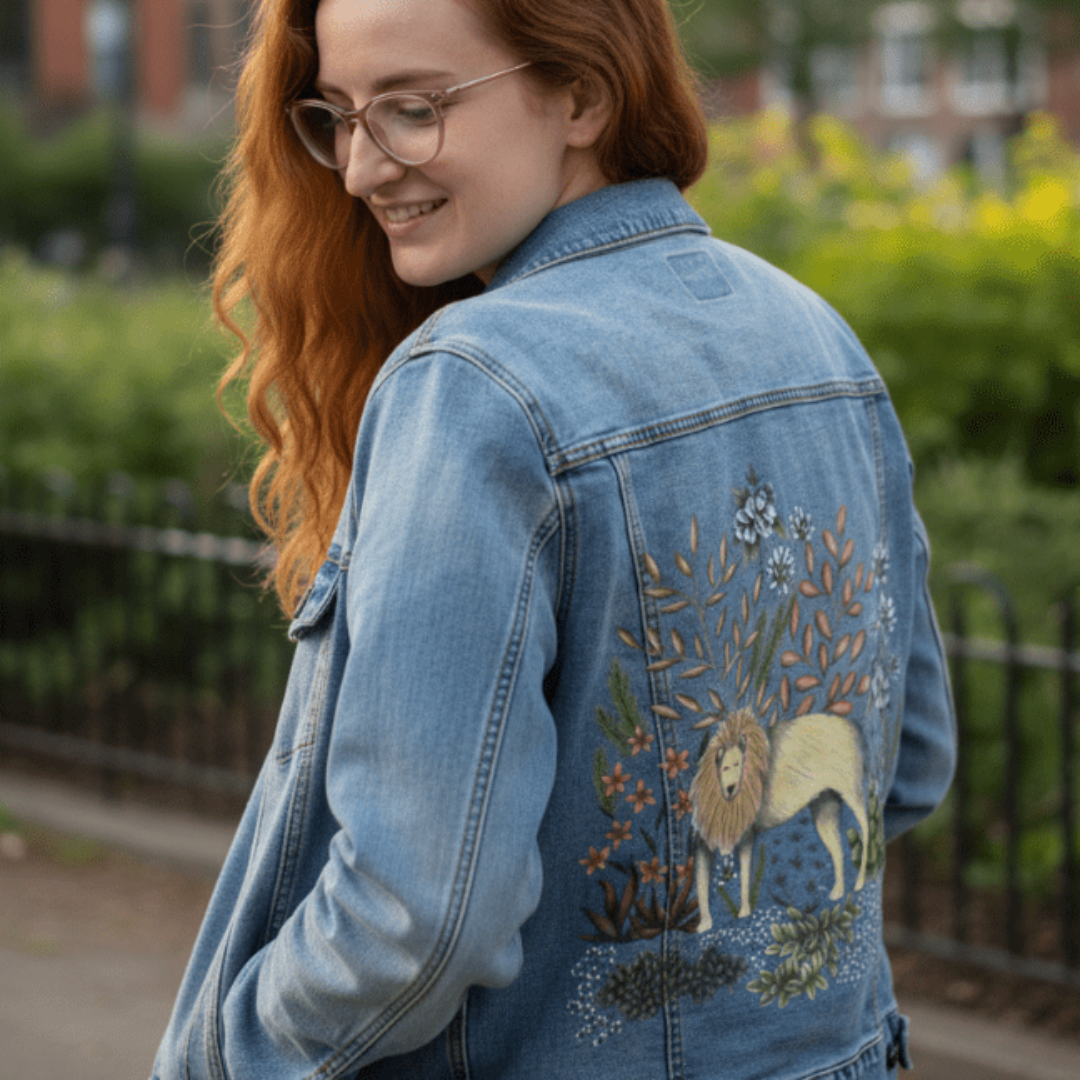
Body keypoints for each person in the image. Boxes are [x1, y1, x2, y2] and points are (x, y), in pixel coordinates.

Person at [152, 0, 956, 1077]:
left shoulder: (476, 386)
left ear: (580, 94)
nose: (358, 168)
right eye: (339, 116)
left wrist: (227, 1054)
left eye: (413, 109)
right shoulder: (817, 337)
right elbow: (908, 765)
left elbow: (415, 915)